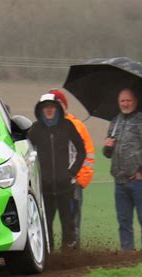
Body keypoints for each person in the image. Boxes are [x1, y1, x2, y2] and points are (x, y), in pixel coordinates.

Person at [103, 88, 142, 250]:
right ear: (118, 102)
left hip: (140, 182)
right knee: (124, 223)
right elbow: (108, 153)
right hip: (120, 182)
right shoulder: (115, 122)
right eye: (122, 100)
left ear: (135, 102)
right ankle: (127, 258)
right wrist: (107, 148)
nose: (125, 103)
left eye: (128, 100)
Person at [28, 93, 86, 251]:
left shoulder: (67, 126)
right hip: (44, 188)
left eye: (51, 107)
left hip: (66, 187)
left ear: (57, 109)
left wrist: (71, 172)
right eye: (45, 107)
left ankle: (69, 259)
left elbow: (82, 151)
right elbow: (26, 153)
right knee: (46, 226)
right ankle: (49, 256)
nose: (49, 110)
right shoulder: (35, 129)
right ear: (40, 109)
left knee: (69, 225)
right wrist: (35, 177)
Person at [49, 89, 95, 249]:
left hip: (71, 184)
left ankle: (72, 260)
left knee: (72, 223)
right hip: (49, 185)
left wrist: (79, 180)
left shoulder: (77, 126)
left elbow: (87, 155)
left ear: (64, 105)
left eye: (58, 103)